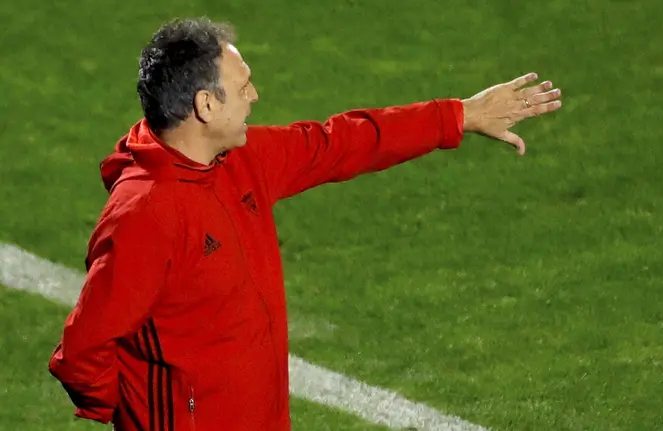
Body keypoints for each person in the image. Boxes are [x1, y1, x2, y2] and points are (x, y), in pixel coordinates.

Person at [48, 16, 562, 431]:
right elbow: (82, 353)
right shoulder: (144, 214)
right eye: (243, 86)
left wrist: (459, 116)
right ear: (206, 105)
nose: (255, 96)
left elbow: (342, 142)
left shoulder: (241, 160)